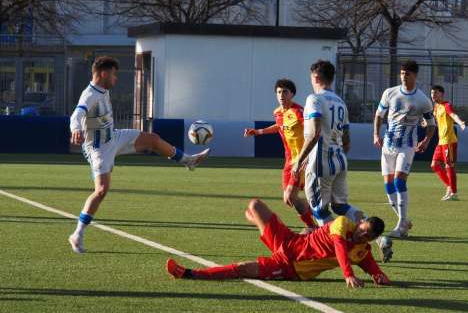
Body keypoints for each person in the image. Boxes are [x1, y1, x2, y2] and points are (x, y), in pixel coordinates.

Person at [68, 56, 210, 253]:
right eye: (114, 74)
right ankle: (78, 233)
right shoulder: (90, 95)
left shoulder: (103, 90)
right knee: (101, 190)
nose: (116, 78)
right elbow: (77, 114)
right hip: (98, 148)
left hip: (114, 138)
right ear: (103, 73)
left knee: (152, 139)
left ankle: (189, 161)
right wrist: (75, 129)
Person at [166, 199, 391, 288]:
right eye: (364, 231)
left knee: (242, 268)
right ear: (359, 223)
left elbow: (372, 268)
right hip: (289, 240)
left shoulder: (363, 251)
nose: (363, 237)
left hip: (289, 266)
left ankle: (188, 273)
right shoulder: (342, 223)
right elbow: (340, 247)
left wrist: (379, 276)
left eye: (368, 237)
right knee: (254, 206)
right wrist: (348, 273)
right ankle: (257, 221)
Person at [291, 60, 362, 226]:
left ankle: (336, 246)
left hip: (321, 163)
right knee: (340, 206)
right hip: (340, 160)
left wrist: (299, 160)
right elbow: (347, 141)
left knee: (319, 210)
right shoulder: (341, 102)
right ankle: (376, 235)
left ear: (315, 77)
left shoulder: (314, 99)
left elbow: (314, 134)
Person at [374, 60, 435, 238]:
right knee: (388, 187)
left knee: (399, 182)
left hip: (407, 145)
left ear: (415, 76)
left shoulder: (423, 100)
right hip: (388, 144)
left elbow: (431, 124)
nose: (403, 76)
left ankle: (400, 227)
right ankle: (404, 220)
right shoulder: (390, 93)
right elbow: (379, 115)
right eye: (402, 73)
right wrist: (375, 134)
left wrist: (426, 140)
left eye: (407, 73)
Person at [244, 79, 315, 228]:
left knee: (290, 196)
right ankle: (316, 207)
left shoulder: (299, 112)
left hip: (301, 160)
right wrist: (258, 132)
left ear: (292, 94)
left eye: (285, 92)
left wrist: (308, 156)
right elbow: (279, 126)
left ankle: (312, 227)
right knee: (288, 199)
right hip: (288, 161)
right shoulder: (278, 112)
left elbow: (313, 130)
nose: (281, 95)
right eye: (278, 92)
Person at [430, 85, 466, 201]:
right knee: (434, 165)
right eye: (431, 93)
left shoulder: (447, 105)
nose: (433, 95)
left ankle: (454, 193)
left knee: (449, 166)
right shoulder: (436, 107)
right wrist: (426, 124)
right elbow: (436, 122)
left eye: (435, 93)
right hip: (441, 142)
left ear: (441, 94)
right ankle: (450, 186)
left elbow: (453, 115)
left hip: (449, 141)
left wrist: (460, 123)